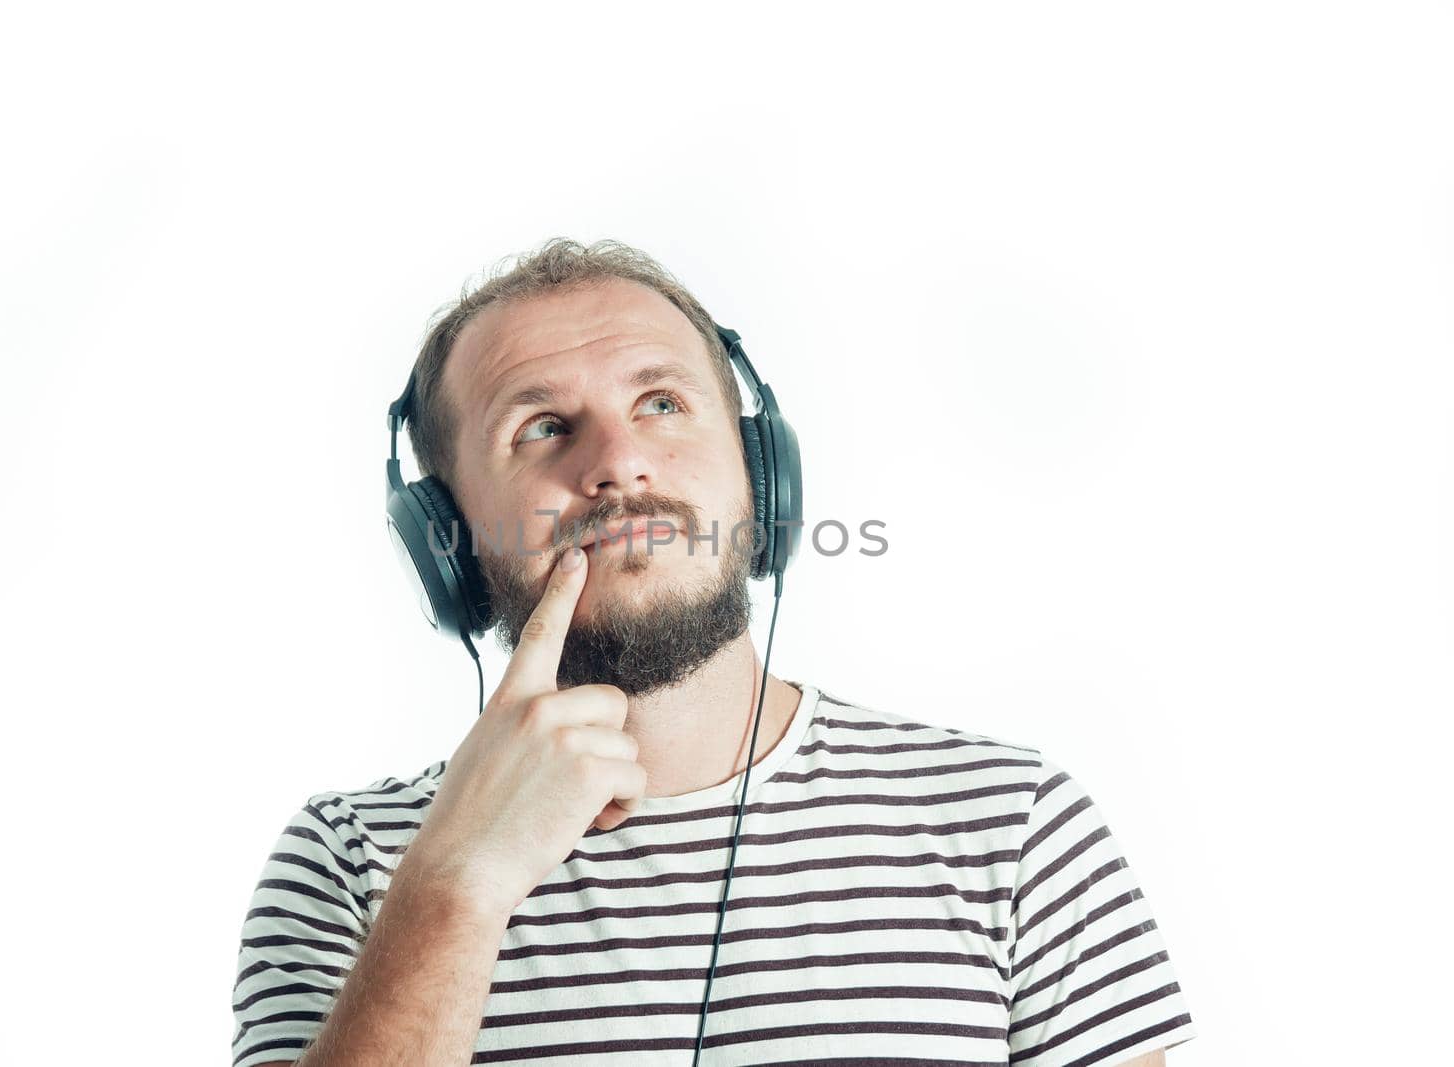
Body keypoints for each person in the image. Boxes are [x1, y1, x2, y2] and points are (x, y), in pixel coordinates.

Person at [228, 238, 1197, 1066]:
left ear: (759, 473)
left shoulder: (1013, 828)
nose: (616, 461)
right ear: (449, 539)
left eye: (660, 403)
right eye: (544, 428)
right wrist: (458, 885)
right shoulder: (349, 862)